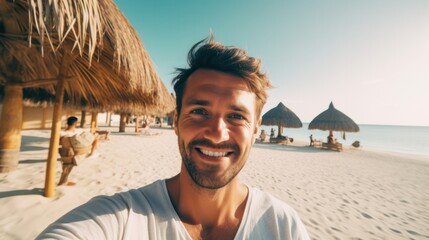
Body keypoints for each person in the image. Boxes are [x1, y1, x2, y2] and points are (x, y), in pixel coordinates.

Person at [38, 36, 310, 239]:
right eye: (199, 111)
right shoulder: (120, 218)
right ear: (176, 121)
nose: (217, 133)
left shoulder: (282, 225)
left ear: (255, 130)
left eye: (237, 116)